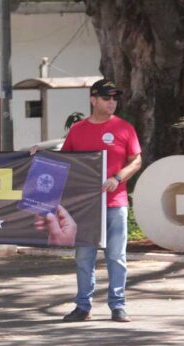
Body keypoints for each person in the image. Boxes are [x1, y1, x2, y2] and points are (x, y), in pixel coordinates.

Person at [59, 78, 142, 323]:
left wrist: (117, 178)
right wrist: (35, 154)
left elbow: (136, 160)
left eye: (115, 98)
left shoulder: (124, 128)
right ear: (93, 100)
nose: (112, 103)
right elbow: (64, 163)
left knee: (116, 256)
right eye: (106, 98)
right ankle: (83, 306)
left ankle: (118, 306)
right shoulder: (78, 130)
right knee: (84, 257)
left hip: (115, 203)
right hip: (86, 206)